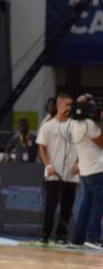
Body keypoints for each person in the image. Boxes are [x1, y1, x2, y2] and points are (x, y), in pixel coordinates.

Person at [36, 93, 78, 245]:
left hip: (71, 175)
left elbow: (82, 146)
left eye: (71, 105)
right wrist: (48, 165)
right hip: (53, 174)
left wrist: (78, 163)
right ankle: (45, 235)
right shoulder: (48, 125)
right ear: (59, 105)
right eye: (67, 105)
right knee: (50, 205)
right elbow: (42, 147)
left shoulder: (75, 125)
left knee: (67, 206)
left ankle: (62, 236)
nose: (70, 108)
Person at [69, 95, 103, 249]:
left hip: (85, 169)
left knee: (87, 204)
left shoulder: (75, 124)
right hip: (97, 168)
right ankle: (93, 237)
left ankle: (78, 238)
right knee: (98, 203)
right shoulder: (89, 124)